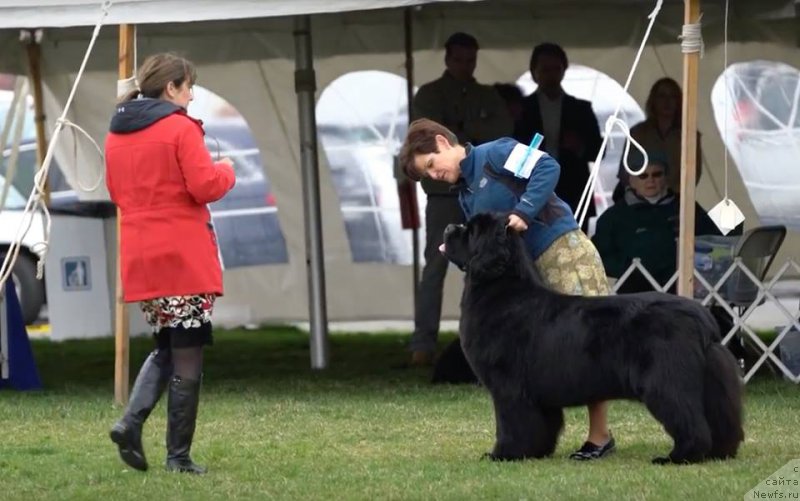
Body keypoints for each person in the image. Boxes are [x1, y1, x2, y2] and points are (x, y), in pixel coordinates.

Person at [400, 118, 616, 461]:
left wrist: (524, 212)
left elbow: (547, 166)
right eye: (427, 174)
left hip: (562, 251)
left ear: (442, 142)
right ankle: (537, 438)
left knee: (588, 343)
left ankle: (599, 436)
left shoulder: (496, 153)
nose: (434, 175)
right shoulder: (466, 194)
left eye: (430, 165)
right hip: (529, 271)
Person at [105, 53, 236, 474]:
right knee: (188, 348)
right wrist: (226, 171)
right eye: (188, 86)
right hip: (182, 253)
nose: (191, 95)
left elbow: (116, 192)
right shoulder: (180, 127)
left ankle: (132, 424)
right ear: (171, 88)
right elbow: (204, 186)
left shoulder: (117, 132)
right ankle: (175, 454)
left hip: (142, 254)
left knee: (167, 341)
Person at [408, 32, 512, 366]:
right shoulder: (429, 94)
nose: (465, 66)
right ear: (447, 58)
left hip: (480, 188)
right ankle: (423, 344)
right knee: (435, 266)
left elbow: (502, 130)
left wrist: (463, 129)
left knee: (490, 263)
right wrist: (474, 129)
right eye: (459, 59)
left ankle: (488, 338)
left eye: (471, 60)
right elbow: (425, 141)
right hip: (443, 195)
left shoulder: (487, 94)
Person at [595, 151, 735, 294]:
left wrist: (730, 218)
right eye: (643, 176)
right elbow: (598, 256)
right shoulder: (614, 217)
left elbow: (711, 239)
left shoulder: (686, 206)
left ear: (666, 177)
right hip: (635, 292)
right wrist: (629, 268)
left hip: (683, 289)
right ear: (631, 181)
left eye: (657, 174)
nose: (650, 180)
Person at [514, 43, 602, 231]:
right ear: (534, 73)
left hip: (573, 190)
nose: (551, 75)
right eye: (545, 70)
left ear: (564, 70)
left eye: (556, 69)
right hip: (530, 188)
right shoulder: (521, 109)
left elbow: (599, 151)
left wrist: (580, 147)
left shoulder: (581, 109)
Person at [614, 77, 702, 201]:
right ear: (653, 100)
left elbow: (693, 175)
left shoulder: (690, 135)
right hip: (640, 200)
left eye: (672, 96)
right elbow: (625, 172)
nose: (667, 101)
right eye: (662, 96)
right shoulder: (638, 133)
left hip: (676, 201)